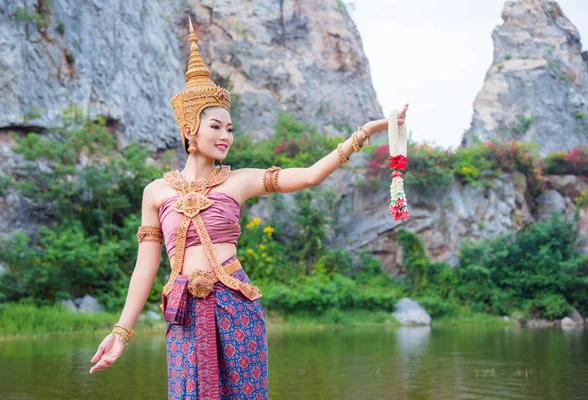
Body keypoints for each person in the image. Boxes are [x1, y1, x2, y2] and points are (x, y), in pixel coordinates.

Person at [89, 17, 408, 400]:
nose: (226, 136)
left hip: (236, 308)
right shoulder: (156, 192)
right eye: (216, 127)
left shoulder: (238, 180)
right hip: (184, 315)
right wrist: (121, 332)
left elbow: (307, 176)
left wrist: (365, 133)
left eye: (230, 129)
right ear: (190, 129)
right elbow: (145, 269)